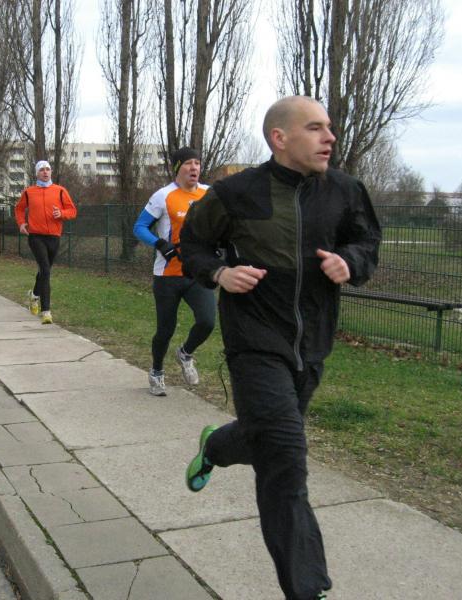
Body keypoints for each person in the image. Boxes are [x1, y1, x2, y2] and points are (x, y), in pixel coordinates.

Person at [181, 96, 381, 600]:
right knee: (286, 459)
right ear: (280, 138)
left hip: (311, 347)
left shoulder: (345, 191)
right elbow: (192, 246)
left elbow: (367, 243)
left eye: (329, 127)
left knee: (267, 441)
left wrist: (350, 262)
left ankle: (216, 446)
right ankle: (307, 589)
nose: (329, 137)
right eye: (315, 128)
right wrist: (219, 273)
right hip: (254, 344)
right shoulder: (235, 193)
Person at [133, 147, 216, 396]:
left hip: (197, 273)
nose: (194, 168)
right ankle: (157, 371)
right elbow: (140, 227)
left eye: (197, 163)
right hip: (167, 276)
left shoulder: (209, 194)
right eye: (189, 163)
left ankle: (185, 353)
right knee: (165, 330)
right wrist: (160, 244)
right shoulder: (163, 196)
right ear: (178, 167)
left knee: (207, 321)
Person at [14, 160, 77, 325]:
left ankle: (34, 296)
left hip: (54, 236)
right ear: (37, 173)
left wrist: (61, 213)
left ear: (51, 172)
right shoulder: (29, 192)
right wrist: (21, 223)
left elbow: (72, 211)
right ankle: (46, 312)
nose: (45, 172)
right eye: (42, 169)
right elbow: (19, 208)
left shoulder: (60, 191)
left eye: (48, 169)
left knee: (44, 271)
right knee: (46, 271)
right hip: (35, 236)